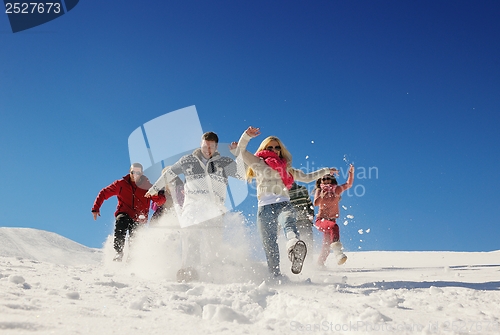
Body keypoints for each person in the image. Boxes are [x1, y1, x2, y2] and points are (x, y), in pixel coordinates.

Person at [237, 126, 337, 279]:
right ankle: (275, 275)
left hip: (283, 202)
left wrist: (325, 171)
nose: (274, 149)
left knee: (288, 222)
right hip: (263, 208)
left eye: (277, 147)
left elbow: (308, 177)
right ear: (264, 147)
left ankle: (294, 246)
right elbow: (241, 151)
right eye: (270, 147)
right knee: (269, 244)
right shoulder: (258, 162)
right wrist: (246, 136)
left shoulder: (287, 168)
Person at [146, 132, 245, 281]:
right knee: (190, 232)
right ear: (201, 144)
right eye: (206, 146)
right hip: (192, 205)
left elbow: (241, 174)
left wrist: (239, 154)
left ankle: (212, 272)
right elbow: (170, 173)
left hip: (214, 208)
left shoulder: (223, 162)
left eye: (211, 147)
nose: (208, 150)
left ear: (216, 146)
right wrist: (154, 188)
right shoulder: (188, 161)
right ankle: (187, 269)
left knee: (213, 242)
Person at [91, 163, 166, 261]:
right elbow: (104, 193)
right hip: (124, 212)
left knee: (134, 239)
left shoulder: (148, 186)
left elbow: (161, 201)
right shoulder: (121, 184)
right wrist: (96, 208)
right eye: (132, 172)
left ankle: (131, 260)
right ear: (129, 172)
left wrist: (154, 194)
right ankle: (119, 252)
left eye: (138, 173)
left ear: (142, 173)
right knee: (121, 221)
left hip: (140, 217)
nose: (135, 175)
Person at [314, 164, 354, 267]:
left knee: (326, 247)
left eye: (329, 178)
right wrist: (321, 196)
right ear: (321, 181)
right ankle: (338, 253)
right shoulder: (320, 190)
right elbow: (316, 203)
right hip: (320, 221)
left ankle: (319, 265)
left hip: (332, 220)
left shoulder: (337, 190)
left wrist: (351, 173)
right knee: (333, 227)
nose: (327, 181)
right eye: (324, 179)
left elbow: (348, 184)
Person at [289, 182, 315, 255]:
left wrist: (311, 214)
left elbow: (309, 204)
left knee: (308, 243)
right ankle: (295, 259)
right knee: (294, 243)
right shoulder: (282, 193)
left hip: (305, 221)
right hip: (292, 223)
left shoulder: (302, 189)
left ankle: (309, 263)